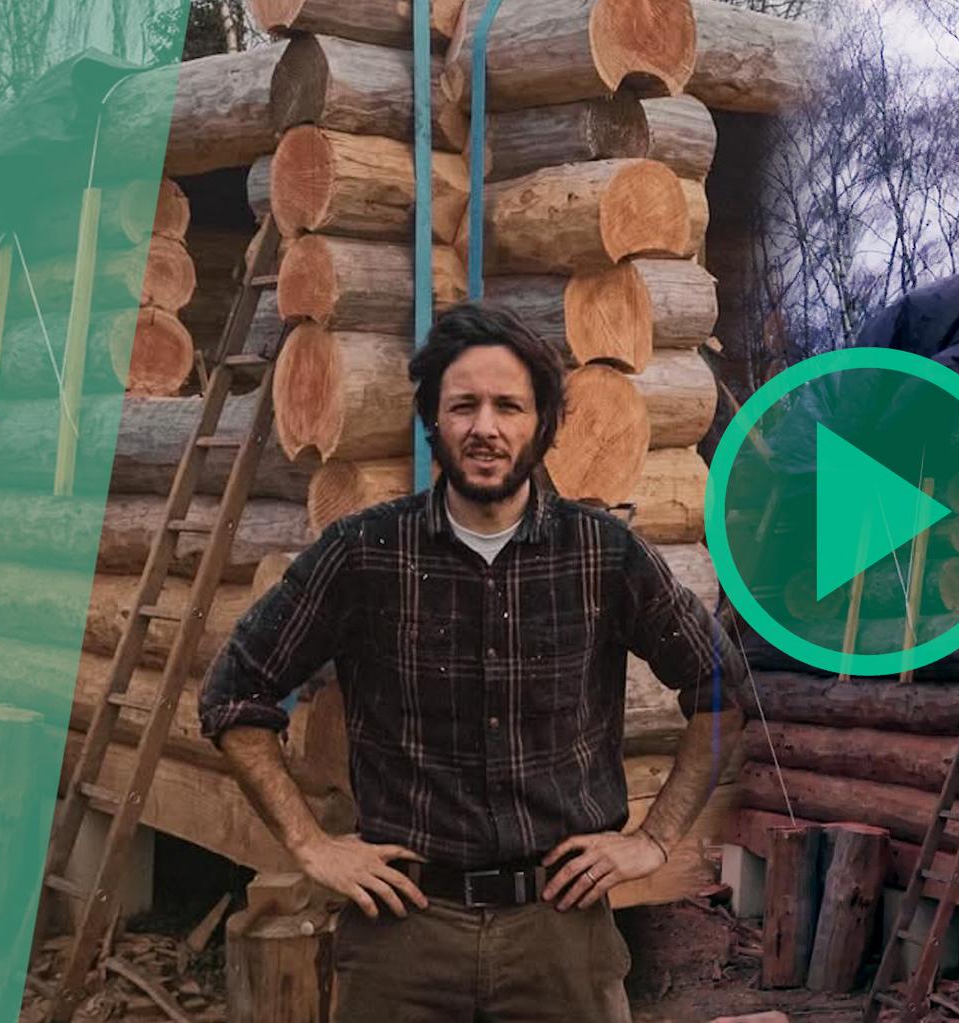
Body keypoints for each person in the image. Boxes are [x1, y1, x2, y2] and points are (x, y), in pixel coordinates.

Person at [200, 302, 744, 1022]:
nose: (485, 426)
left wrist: (654, 838)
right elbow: (235, 695)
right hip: (405, 935)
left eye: (508, 406)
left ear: (541, 422)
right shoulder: (364, 553)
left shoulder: (604, 554)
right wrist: (309, 843)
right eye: (463, 405)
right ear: (433, 419)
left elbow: (722, 689)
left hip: (560, 935)